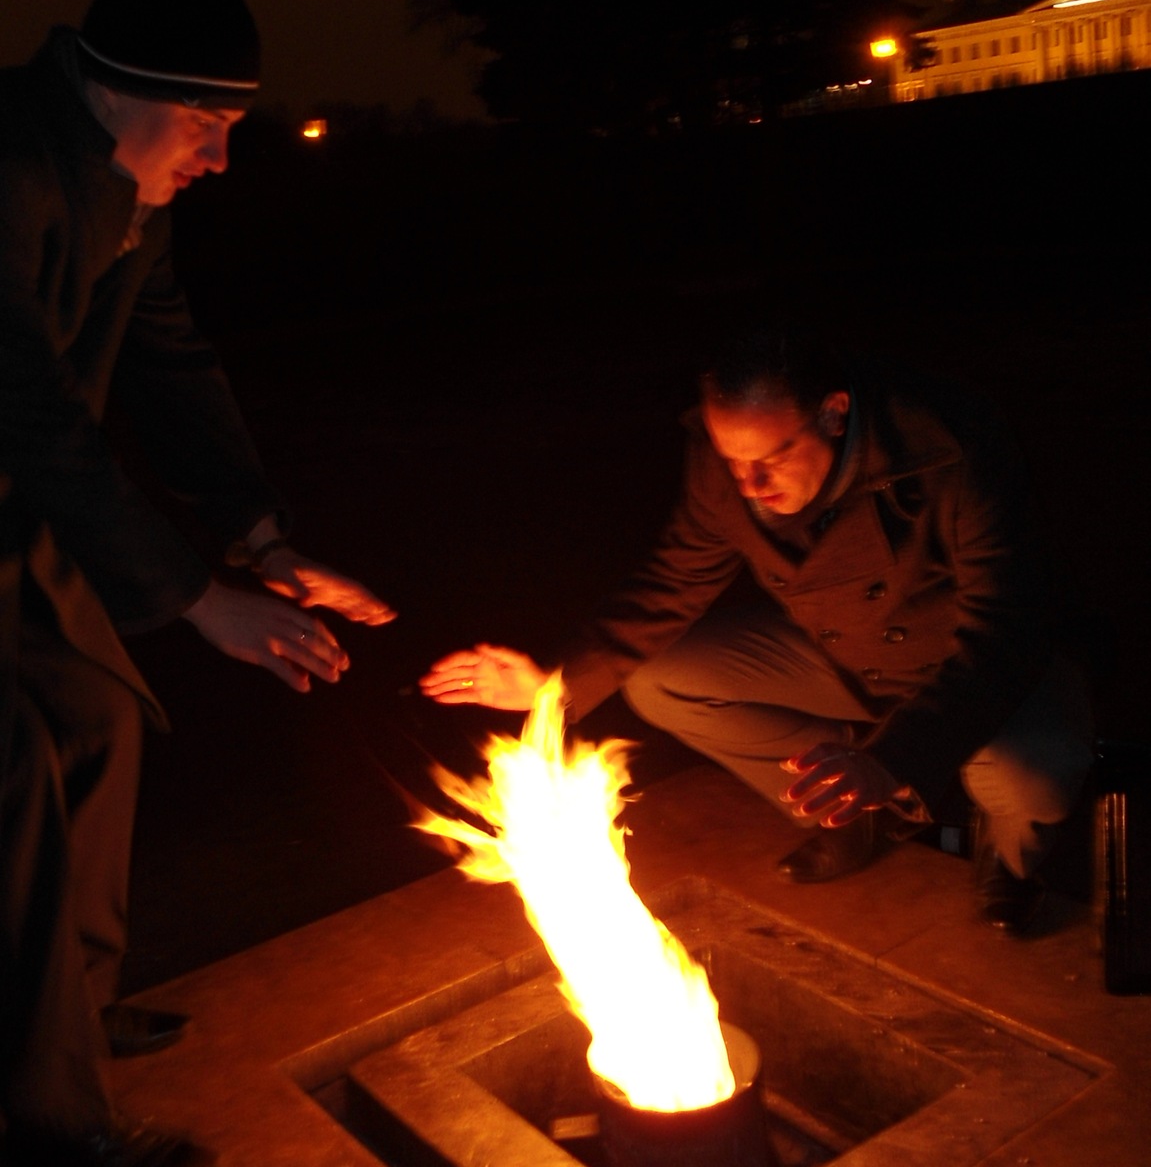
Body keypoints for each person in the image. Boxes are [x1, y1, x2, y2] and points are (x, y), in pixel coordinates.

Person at [1, 0, 393, 1167]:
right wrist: (194, 596)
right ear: (118, 86)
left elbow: (169, 363)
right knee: (15, 770)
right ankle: (48, 1116)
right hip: (18, 471)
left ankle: (71, 1011)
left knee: (100, 716)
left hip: (16, 505)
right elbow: (29, 410)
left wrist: (260, 538)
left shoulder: (132, 193)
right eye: (205, 123)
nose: (221, 157)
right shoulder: (10, 171)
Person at [421, 323, 1093, 935]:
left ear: (832, 414)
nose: (749, 483)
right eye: (732, 461)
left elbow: (1002, 629)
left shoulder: (949, 445)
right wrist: (555, 686)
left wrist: (890, 757)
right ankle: (854, 815)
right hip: (842, 649)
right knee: (661, 682)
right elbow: (674, 579)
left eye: (771, 457)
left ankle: (1008, 856)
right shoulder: (728, 464)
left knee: (1031, 773)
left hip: (971, 658)